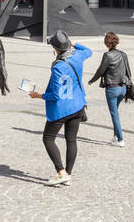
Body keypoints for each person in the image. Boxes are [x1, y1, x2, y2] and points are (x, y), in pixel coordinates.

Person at [29, 29, 93, 187]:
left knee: (48, 138)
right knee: (71, 140)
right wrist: (73, 43)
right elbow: (88, 51)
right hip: (77, 105)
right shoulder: (77, 56)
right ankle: (69, 174)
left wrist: (39, 96)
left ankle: (61, 172)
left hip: (62, 109)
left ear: (55, 49)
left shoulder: (58, 67)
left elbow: (57, 95)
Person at [88, 31, 133, 147]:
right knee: (115, 112)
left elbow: (100, 70)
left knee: (114, 114)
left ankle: (121, 139)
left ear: (106, 43)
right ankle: (115, 136)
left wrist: (92, 80)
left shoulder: (107, 56)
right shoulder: (123, 54)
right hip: (123, 89)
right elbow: (129, 72)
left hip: (112, 89)